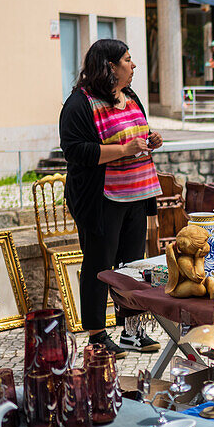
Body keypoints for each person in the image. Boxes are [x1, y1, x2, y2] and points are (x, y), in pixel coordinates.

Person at [60, 39, 164, 355]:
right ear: (109, 66)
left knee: (132, 266)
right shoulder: (79, 103)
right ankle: (96, 336)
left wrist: (150, 139)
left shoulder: (130, 96)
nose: (133, 66)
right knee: (99, 266)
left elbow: (136, 134)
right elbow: (75, 151)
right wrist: (124, 150)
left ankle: (132, 331)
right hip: (101, 199)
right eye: (128, 60)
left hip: (137, 192)